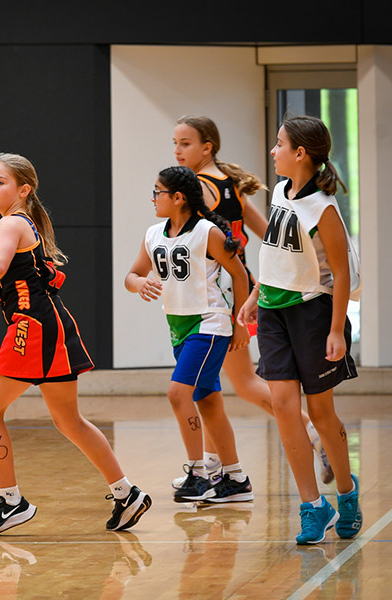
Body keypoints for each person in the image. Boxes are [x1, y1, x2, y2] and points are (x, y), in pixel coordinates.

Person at [0, 152, 152, 535]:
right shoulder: (7, 229)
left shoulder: (11, 224)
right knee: (69, 421)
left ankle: (11, 501)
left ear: (23, 189)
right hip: (50, 325)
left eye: (0, 182)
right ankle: (127, 494)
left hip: (34, 328)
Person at [172, 115, 333, 486]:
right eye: (176, 144)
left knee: (229, 385)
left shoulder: (197, 188)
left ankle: (309, 434)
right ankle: (214, 466)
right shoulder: (228, 184)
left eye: (185, 143)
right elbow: (270, 232)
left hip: (222, 296)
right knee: (213, 385)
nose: (178, 150)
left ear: (206, 146)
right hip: (239, 290)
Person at [238, 116, 362, 545]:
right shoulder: (280, 194)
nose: (273, 151)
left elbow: (342, 274)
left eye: (279, 144)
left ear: (300, 153)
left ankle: (346, 493)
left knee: (322, 414)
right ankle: (312, 505)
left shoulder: (322, 208)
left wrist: (337, 331)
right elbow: (274, 254)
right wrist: (256, 295)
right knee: (285, 407)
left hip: (313, 314)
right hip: (273, 315)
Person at [125, 165, 253, 504]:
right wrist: (140, 283)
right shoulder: (153, 234)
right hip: (179, 327)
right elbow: (132, 275)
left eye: (158, 192)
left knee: (178, 394)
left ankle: (197, 473)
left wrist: (240, 324)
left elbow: (240, 276)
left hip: (209, 323)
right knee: (208, 402)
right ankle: (236, 478)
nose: (152, 198)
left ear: (178, 198)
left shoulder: (207, 232)